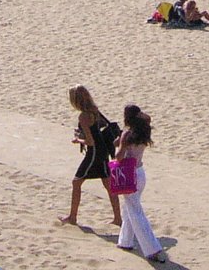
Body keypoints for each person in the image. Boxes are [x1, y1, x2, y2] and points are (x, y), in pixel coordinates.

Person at [59, 85, 121, 226]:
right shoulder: (94, 110)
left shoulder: (83, 116)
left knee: (77, 182)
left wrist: (78, 139)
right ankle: (118, 218)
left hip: (94, 153)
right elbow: (97, 130)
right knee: (108, 183)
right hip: (103, 150)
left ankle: (72, 217)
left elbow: (90, 141)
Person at [114, 105, 167, 263]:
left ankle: (152, 249)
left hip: (129, 173)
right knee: (129, 207)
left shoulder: (127, 134)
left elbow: (119, 157)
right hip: (140, 172)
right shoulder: (143, 132)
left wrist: (118, 144)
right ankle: (125, 241)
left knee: (135, 211)